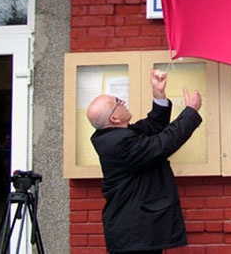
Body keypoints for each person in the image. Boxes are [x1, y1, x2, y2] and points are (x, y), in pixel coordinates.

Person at [86, 69, 203, 254]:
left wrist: (158, 94)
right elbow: (163, 144)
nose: (122, 101)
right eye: (117, 102)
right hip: (134, 236)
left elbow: (153, 125)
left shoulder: (119, 135)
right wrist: (191, 111)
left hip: (136, 232)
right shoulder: (119, 144)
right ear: (114, 118)